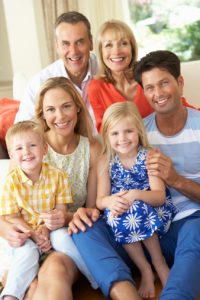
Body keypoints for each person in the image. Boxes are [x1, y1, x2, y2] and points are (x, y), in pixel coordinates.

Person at [0, 77, 101, 300]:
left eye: (66, 106)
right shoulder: (25, 145)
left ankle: (96, 278)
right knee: (29, 284)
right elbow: (8, 212)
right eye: (51, 109)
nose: (60, 116)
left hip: (64, 235)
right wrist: (11, 231)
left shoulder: (91, 148)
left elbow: (93, 211)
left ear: (77, 107)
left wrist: (64, 219)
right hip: (27, 236)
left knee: (52, 274)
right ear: (43, 114)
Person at [133, 50, 200, 299]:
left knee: (194, 233)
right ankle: (122, 290)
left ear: (179, 83)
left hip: (193, 224)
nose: (158, 94)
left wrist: (175, 180)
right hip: (152, 230)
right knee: (89, 230)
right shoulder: (140, 133)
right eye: (149, 87)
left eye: (164, 83)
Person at [96, 102, 176, 298]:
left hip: (154, 212)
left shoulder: (149, 156)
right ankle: (145, 269)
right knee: (117, 212)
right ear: (106, 135)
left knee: (136, 207)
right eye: (115, 134)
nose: (122, 139)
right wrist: (110, 202)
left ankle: (159, 262)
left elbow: (159, 196)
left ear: (139, 131)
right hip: (122, 215)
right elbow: (100, 200)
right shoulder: (106, 160)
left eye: (128, 131)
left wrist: (135, 194)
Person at [0, 120, 73, 299]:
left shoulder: (58, 176)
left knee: (64, 238)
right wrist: (34, 234)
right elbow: (11, 217)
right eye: (18, 149)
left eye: (32, 145)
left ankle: (93, 276)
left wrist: (46, 230)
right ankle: (11, 295)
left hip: (52, 228)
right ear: (11, 154)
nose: (26, 152)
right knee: (27, 252)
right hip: (25, 231)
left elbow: (61, 210)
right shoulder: (11, 181)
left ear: (44, 149)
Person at [87, 20, 194, 132]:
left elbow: (178, 106)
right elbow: (104, 132)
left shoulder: (147, 77)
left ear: (132, 49)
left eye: (123, 43)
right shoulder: (96, 87)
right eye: (108, 45)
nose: (116, 51)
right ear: (100, 51)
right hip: (125, 147)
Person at [14, 11, 97, 129]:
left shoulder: (107, 70)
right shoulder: (39, 83)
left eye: (79, 42)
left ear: (91, 42)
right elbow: (21, 132)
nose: (73, 51)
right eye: (65, 44)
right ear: (57, 46)